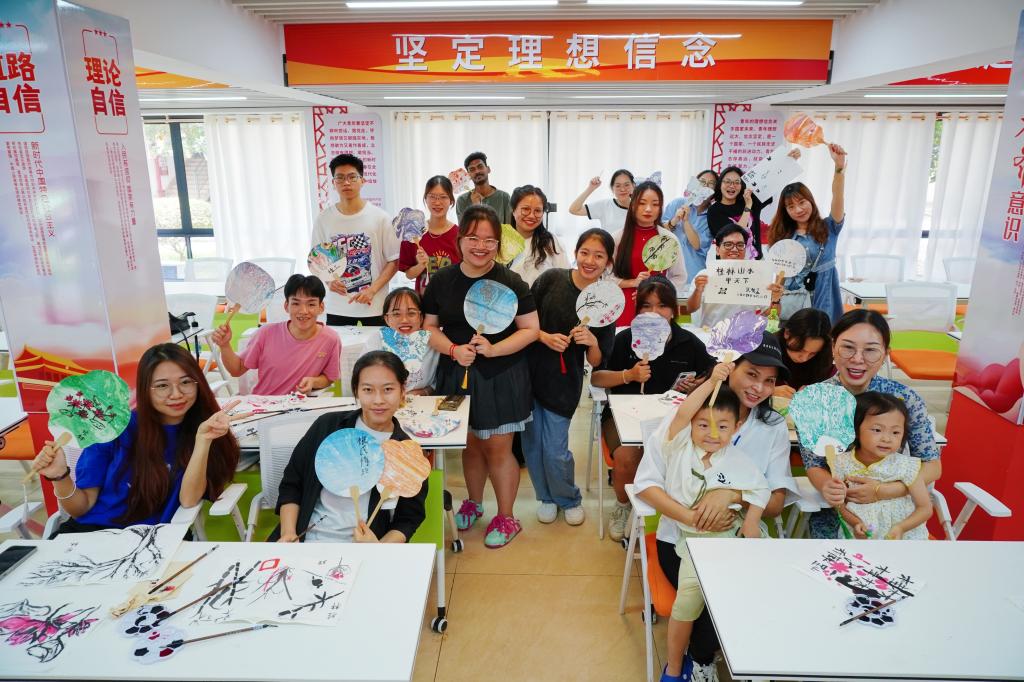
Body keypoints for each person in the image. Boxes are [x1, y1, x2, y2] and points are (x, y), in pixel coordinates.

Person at [636, 331, 797, 682]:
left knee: (760, 595)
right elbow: (646, 485)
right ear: (729, 367)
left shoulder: (771, 427)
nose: (759, 388)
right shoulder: (689, 420)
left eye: (769, 381)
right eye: (751, 374)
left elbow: (774, 500)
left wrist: (732, 495)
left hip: (735, 537)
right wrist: (692, 517)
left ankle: (725, 656)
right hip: (680, 538)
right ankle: (696, 660)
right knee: (711, 604)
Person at [422, 204, 540, 548]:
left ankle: (506, 516)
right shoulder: (442, 280)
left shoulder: (510, 282)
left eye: (489, 240)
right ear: (460, 239)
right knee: (470, 446)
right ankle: (473, 503)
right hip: (455, 373)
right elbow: (429, 327)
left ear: (499, 244)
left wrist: (494, 349)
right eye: (473, 238)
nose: (481, 246)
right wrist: (453, 350)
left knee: (498, 449)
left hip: (501, 375)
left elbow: (531, 329)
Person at [31, 344, 241, 535]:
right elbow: (81, 508)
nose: (176, 394)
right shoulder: (114, 428)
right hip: (90, 534)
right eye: (162, 386)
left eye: (185, 382)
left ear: (198, 383)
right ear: (145, 389)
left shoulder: (208, 429)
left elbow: (188, 500)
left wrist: (202, 441)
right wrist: (60, 476)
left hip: (151, 539)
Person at [591, 277, 714, 541]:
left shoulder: (687, 341)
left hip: (673, 417)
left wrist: (698, 385)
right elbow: (596, 378)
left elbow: (712, 371)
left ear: (673, 310)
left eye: (662, 306)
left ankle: (672, 506)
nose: (654, 313)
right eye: (646, 306)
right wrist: (628, 375)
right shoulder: (625, 339)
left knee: (690, 454)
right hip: (623, 415)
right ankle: (623, 505)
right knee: (627, 457)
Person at [802, 309, 941, 539]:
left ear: (886, 353)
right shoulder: (815, 401)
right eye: (848, 347)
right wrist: (828, 486)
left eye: (870, 350)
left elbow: (932, 465)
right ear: (833, 346)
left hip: (897, 511)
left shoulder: (904, 399)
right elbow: (814, 464)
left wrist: (883, 491)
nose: (858, 359)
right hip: (840, 511)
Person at [273, 351, 427, 543]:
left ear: (402, 391)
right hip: (303, 539)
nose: (378, 400)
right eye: (368, 390)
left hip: (364, 548)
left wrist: (377, 547)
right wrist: (288, 533)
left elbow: (408, 519)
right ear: (356, 391)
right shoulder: (327, 427)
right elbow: (292, 484)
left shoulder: (406, 452)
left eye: (388, 389)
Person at [524, 228, 616, 527]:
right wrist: (544, 337)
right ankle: (546, 498)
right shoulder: (551, 280)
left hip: (564, 384)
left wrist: (592, 342)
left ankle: (568, 498)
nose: (590, 260)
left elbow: (597, 361)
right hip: (529, 375)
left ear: (608, 262)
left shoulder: (605, 302)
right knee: (532, 446)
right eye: (585, 252)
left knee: (555, 450)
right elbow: (523, 323)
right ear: (575, 253)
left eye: (599, 256)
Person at [211, 274, 341, 396]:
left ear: (321, 307)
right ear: (286, 306)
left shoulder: (331, 339)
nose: (303, 311)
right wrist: (225, 345)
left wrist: (314, 382)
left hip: (300, 406)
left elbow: (329, 377)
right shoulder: (265, 333)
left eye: (311, 304)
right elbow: (236, 369)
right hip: (263, 404)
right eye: (296, 303)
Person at [311, 153, 399, 326]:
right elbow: (317, 259)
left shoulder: (380, 217)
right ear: (333, 183)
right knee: (339, 344)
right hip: (338, 307)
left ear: (362, 180)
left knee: (377, 345)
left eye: (352, 177)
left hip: (375, 305)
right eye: (340, 178)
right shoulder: (324, 219)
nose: (346, 182)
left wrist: (372, 290)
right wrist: (329, 281)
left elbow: (394, 260)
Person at [833, 392, 932, 540]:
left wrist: (901, 528)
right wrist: (855, 523)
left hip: (902, 538)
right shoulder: (841, 462)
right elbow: (839, 504)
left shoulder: (907, 465)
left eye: (895, 432)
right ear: (855, 430)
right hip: (860, 537)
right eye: (877, 430)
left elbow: (925, 508)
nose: (887, 439)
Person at [767, 144, 848, 324]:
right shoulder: (784, 236)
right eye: (791, 206)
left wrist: (839, 168)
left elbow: (838, 197)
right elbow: (781, 276)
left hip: (824, 294)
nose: (798, 209)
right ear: (785, 211)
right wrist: (773, 310)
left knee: (823, 334)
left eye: (802, 202)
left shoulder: (829, 227)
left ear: (810, 201)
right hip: (794, 299)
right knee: (796, 335)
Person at [610, 180, 688, 326]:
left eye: (655, 204)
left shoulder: (668, 239)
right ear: (633, 205)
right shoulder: (617, 238)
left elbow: (680, 276)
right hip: (621, 307)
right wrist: (633, 282)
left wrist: (659, 293)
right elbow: (605, 277)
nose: (648, 209)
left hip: (656, 308)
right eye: (642, 203)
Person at [706, 150, 799, 258]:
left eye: (737, 182)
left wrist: (787, 162)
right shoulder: (714, 210)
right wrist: (747, 206)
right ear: (720, 184)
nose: (732, 185)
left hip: (755, 261)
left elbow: (771, 182)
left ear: (742, 186)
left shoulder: (751, 199)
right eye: (727, 181)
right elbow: (736, 236)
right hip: (728, 263)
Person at [686, 224, 783, 328]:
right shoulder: (704, 275)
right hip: (710, 334)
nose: (735, 249)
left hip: (744, 335)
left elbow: (771, 313)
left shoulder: (756, 276)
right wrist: (698, 290)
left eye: (740, 245)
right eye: (728, 244)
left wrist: (775, 300)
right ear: (717, 249)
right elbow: (690, 309)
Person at [365, 287, 438, 395]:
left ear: (421, 317)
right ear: (387, 319)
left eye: (411, 313)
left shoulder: (433, 341)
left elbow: (439, 381)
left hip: (421, 401)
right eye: (396, 314)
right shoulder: (377, 339)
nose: (404, 320)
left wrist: (423, 392)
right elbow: (363, 378)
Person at [399, 175, 460, 294]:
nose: (437, 202)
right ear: (425, 199)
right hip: (423, 301)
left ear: (451, 201)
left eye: (443, 197)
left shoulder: (459, 236)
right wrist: (421, 265)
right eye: (432, 196)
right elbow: (409, 275)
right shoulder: (414, 234)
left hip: (451, 301)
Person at [508, 184, 569, 286]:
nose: (532, 216)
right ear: (513, 210)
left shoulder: (552, 242)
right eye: (525, 209)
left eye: (537, 211)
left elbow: (565, 278)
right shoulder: (501, 240)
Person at [664, 170, 718, 284]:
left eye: (711, 184)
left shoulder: (713, 215)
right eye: (702, 182)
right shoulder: (677, 203)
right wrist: (674, 220)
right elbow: (660, 232)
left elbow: (697, 245)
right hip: (668, 272)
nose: (705, 186)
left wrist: (686, 221)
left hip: (694, 273)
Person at [773, 307, 834, 398]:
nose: (804, 359)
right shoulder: (766, 350)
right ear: (787, 333)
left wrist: (818, 390)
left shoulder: (823, 357)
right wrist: (770, 391)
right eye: (800, 350)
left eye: (813, 353)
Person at [568, 169, 636, 233]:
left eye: (626, 185)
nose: (623, 189)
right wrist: (591, 188)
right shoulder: (605, 205)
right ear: (612, 188)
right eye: (618, 186)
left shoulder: (639, 207)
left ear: (633, 186)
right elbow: (574, 210)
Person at [455, 151, 512, 224]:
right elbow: (464, 230)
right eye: (472, 169)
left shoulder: (504, 197)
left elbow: (509, 228)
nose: (477, 171)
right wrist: (476, 207)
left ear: (488, 169)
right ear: (468, 175)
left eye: (480, 166)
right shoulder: (462, 201)